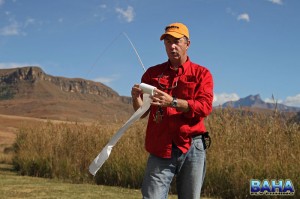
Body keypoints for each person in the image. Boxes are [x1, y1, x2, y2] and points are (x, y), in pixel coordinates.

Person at [131, 22, 214, 199]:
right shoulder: (152, 74)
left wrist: (173, 102)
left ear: (187, 44)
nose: (172, 46)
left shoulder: (202, 74)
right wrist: (135, 98)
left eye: (177, 41)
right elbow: (142, 113)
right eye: (168, 42)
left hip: (193, 146)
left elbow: (205, 107)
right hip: (160, 145)